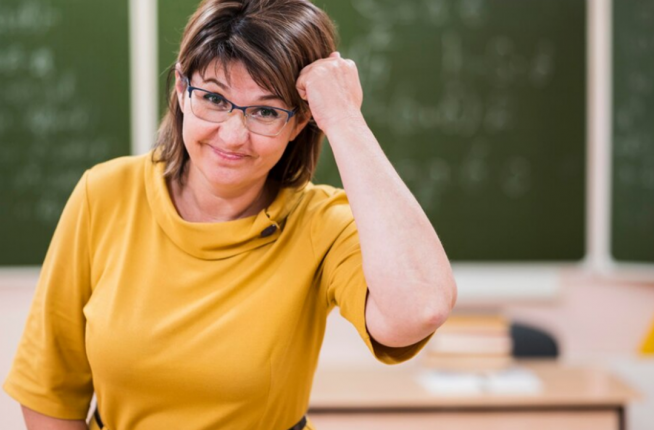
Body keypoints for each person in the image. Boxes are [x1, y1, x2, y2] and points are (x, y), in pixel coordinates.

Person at [3, 0, 457, 428]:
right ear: (182, 90)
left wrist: (344, 118)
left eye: (264, 111)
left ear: (300, 122)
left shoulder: (320, 224)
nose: (233, 135)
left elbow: (421, 307)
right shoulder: (104, 194)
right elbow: (48, 390)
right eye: (215, 99)